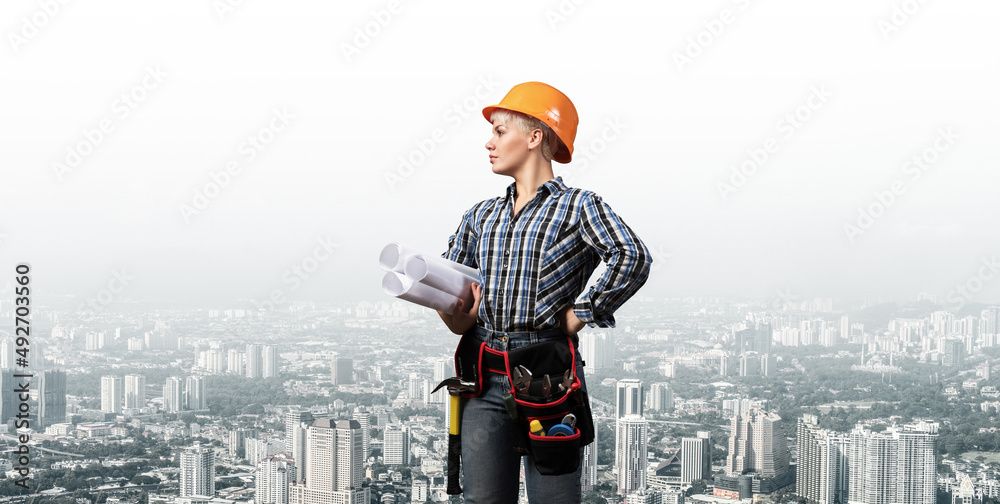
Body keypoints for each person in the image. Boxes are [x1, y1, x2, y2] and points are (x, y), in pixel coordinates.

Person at [437, 81, 651, 504]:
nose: (488, 143)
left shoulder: (578, 206)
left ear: (535, 137)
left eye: (499, 131)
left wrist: (581, 313)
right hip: (482, 378)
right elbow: (454, 296)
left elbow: (632, 256)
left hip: (550, 380)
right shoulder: (480, 215)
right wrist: (450, 311)